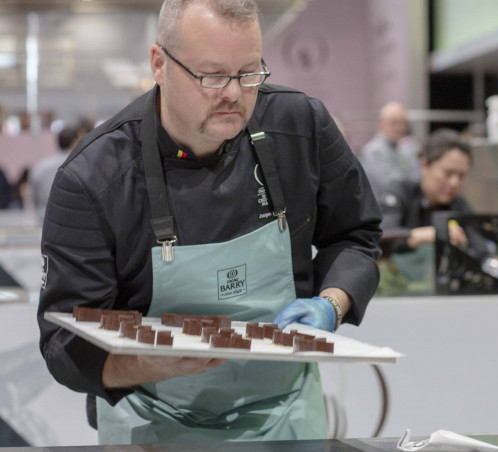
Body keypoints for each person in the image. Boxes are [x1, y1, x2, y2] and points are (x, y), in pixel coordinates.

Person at [37, 0, 381, 445]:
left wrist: (331, 304)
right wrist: (149, 363)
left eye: (249, 73)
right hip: (152, 419)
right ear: (159, 64)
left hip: (285, 416)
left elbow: (356, 234)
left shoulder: (300, 127)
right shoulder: (94, 179)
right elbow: (64, 345)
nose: (234, 95)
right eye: (212, 76)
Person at [380, 128, 473, 254]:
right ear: (424, 166)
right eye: (448, 173)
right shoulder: (400, 192)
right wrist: (430, 234)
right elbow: (383, 237)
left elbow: (480, 246)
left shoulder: (459, 205)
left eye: (461, 176)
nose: (454, 183)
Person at [358, 101, 420, 202]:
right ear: (381, 123)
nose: (400, 127)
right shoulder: (373, 151)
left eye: (403, 123)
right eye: (394, 122)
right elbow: (393, 184)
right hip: (382, 211)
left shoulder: (403, 150)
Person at [29, 124, 82, 220]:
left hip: (42, 222)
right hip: (70, 223)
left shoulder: (40, 167)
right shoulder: (80, 167)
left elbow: (34, 199)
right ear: (75, 143)